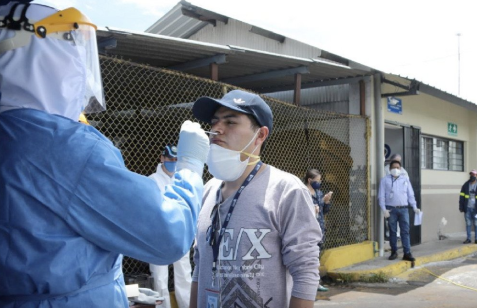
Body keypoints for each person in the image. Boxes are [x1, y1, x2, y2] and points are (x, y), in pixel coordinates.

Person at [0, 2, 209, 307]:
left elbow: (35, 251)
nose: (79, 67)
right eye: (69, 47)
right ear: (37, 55)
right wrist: (190, 165)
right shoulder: (65, 146)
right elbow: (168, 236)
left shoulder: (12, 135)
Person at [189, 90, 322, 308]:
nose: (216, 130)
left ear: (260, 135)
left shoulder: (286, 190)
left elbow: (305, 272)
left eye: (230, 122)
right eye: (214, 122)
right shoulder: (208, 190)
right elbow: (200, 265)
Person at [148, 145, 193, 308]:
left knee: (184, 276)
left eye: (176, 159)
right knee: (160, 278)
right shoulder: (153, 179)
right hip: (159, 235)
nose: (173, 162)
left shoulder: (181, 179)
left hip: (180, 233)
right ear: (162, 158)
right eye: (170, 159)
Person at [378, 160, 420, 261]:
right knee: (393, 232)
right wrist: (384, 210)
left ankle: (407, 253)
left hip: (404, 209)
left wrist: (414, 207)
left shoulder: (405, 180)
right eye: (394, 168)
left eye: (398, 168)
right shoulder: (385, 180)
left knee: (405, 231)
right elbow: (381, 196)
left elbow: (410, 195)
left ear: (400, 169)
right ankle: (394, 252)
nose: (396, 170)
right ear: (390, 169)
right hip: (391, 210)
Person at [304, 168, 333, 292]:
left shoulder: (319, 193)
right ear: (310, 180)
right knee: (307, 259)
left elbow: (324, 212)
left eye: (320, 181)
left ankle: (316, 283)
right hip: (307, 230)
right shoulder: (302, 193)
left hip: (319, 230)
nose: (319, 183)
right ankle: (306, 284)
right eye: (317, 180)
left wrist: (326, 202)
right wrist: (311, 211)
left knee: (316, 258)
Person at [458, 170, 477, 245]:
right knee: (468, 223)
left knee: (476, 223)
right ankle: (468, 238)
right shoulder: (465, 185)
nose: (472, 176)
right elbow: (461, 197)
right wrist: (461, 206)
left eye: (474, 175)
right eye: (471, 175)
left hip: (476, 208)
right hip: (467, 207)